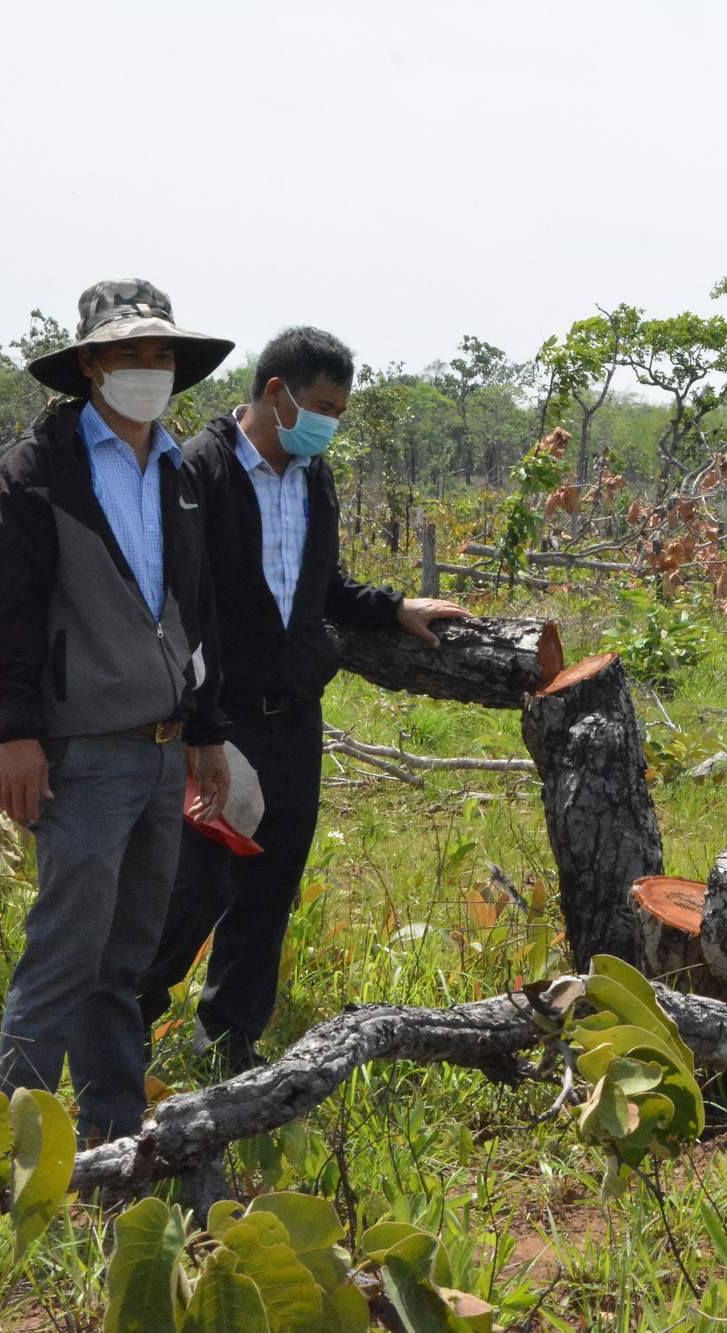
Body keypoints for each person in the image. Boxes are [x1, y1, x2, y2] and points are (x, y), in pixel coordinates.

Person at [138, 326, 470, 1074]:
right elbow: (178, 607)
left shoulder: (313, 476)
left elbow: (319, 586)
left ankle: (230, 1039)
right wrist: (201, 726)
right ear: (276, 394)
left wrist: (390, 607)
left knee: (271, 889)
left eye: (341, 411)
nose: (331, 424)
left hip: (294, 720)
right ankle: (124, 1018)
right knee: (196, 886)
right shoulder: (200, 471)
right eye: (323, 405)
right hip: (220, 725)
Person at [0, 279, 234, 1141]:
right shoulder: (36, 474)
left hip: (163, 750)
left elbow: (193, 605)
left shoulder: (179, 470)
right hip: (81, 749)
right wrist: (17, 733)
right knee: (64, 953)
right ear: (90, 364)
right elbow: (12, 616)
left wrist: (204, 728)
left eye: (162, 356)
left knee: (125, 958)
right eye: (132, 355)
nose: (151, 371)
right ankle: (10, 1153)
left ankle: (112, 1135)